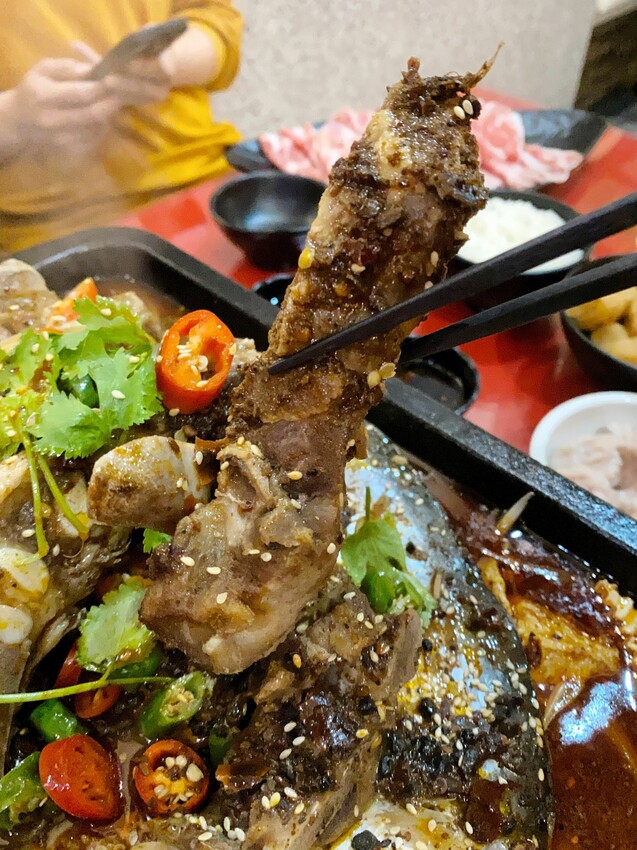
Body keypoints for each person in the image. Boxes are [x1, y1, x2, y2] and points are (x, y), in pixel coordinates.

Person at [0, 2, 242, 251]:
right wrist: (14, 117)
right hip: (55, 222)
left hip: (203, 177)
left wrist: (171, 61)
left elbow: (217, 21)